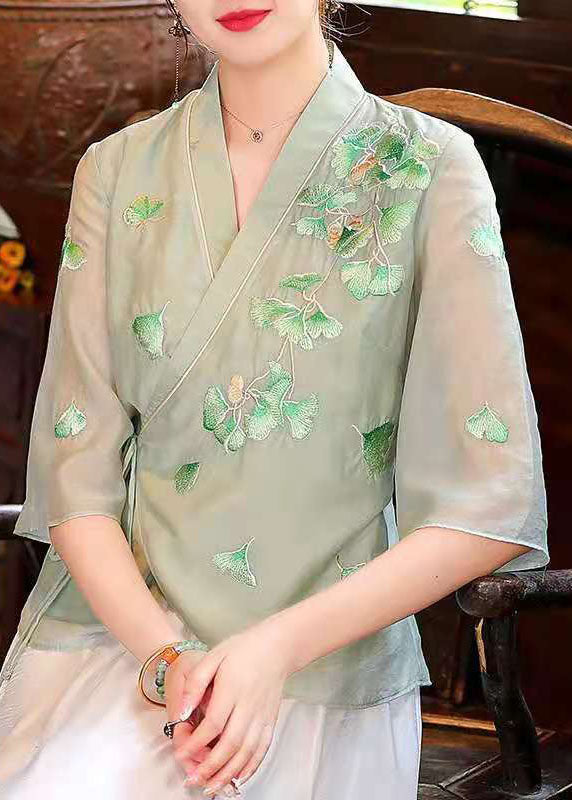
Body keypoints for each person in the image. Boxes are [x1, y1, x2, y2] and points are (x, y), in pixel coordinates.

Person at [0, 1, 549, 798]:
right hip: (124, 644)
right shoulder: (115, 172)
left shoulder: (432, 168)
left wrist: (270, 653)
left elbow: (488, 504)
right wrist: (168, 662)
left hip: (321, 658)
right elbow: (74, 480)